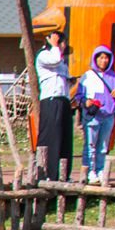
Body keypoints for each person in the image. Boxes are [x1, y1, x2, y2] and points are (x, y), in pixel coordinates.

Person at [77, 46, 115, 183]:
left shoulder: (113, 76)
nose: (104, 61)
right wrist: (86, 102)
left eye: (106, 58)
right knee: (90, 145)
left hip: (109, 115)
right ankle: (89, 171)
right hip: (93, 115)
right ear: (96, 59)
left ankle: (100, 170)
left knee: (103, 146)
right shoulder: (87, 76)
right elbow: (79, 95)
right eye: (101, 58)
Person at [34, 30, 74, 181]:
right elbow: (55, 60)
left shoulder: (62, 61)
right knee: (52, 136)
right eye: (61, 42)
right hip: (51, 100)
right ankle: (49, 173)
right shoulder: (44, 55)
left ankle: (63, 174)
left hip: (63, 100)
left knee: (65, 137)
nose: (63, 46)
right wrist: (54, 43)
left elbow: (64, 78)